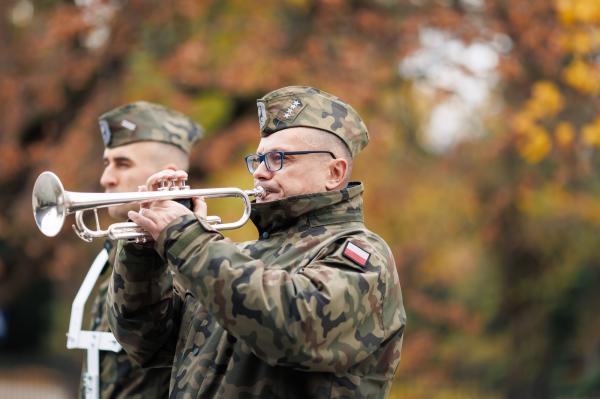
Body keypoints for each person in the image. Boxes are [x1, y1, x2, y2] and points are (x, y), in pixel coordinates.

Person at [108, 86, 406, 398]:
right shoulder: (240, 255)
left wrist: (188, 239)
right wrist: (144, 249)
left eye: (279, 159)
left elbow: (293, 326)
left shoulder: (362, 256)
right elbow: (146, 343)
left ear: (334, 172)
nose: (260, 173)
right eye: (259, 159)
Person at [80, 101, 203, 398]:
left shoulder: (188, 259)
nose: (105, 178)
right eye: (106, 163)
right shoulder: (112, 251)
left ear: (166, 174)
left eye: (122, 163)